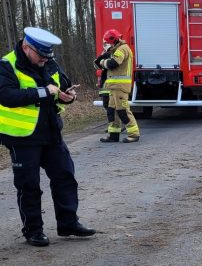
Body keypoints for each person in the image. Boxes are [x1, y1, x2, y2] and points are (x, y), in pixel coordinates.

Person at [0, 27, 96, 247]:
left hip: (51, 132)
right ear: (26, 47)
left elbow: (61, 89)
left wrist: (68, 97)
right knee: (29, 185)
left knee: (65, 177)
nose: (44, 59)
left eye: (47, 55)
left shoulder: (49, 62)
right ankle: (33, 231)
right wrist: (44, 92)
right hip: (22, 137)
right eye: (41, 55)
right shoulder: (7, 64)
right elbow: (6, 96)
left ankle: (69, 223)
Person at [97, 29, 140, 143]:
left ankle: (134, 134)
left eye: (108, 42)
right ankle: (114, 135)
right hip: (114, 87)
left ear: (114, 40)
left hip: (120, 87)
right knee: (112, 111)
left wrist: (102, 62)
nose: (108, 45)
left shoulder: (122, 49)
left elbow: (113, 63)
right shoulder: (116, 49)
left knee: (123, 110)